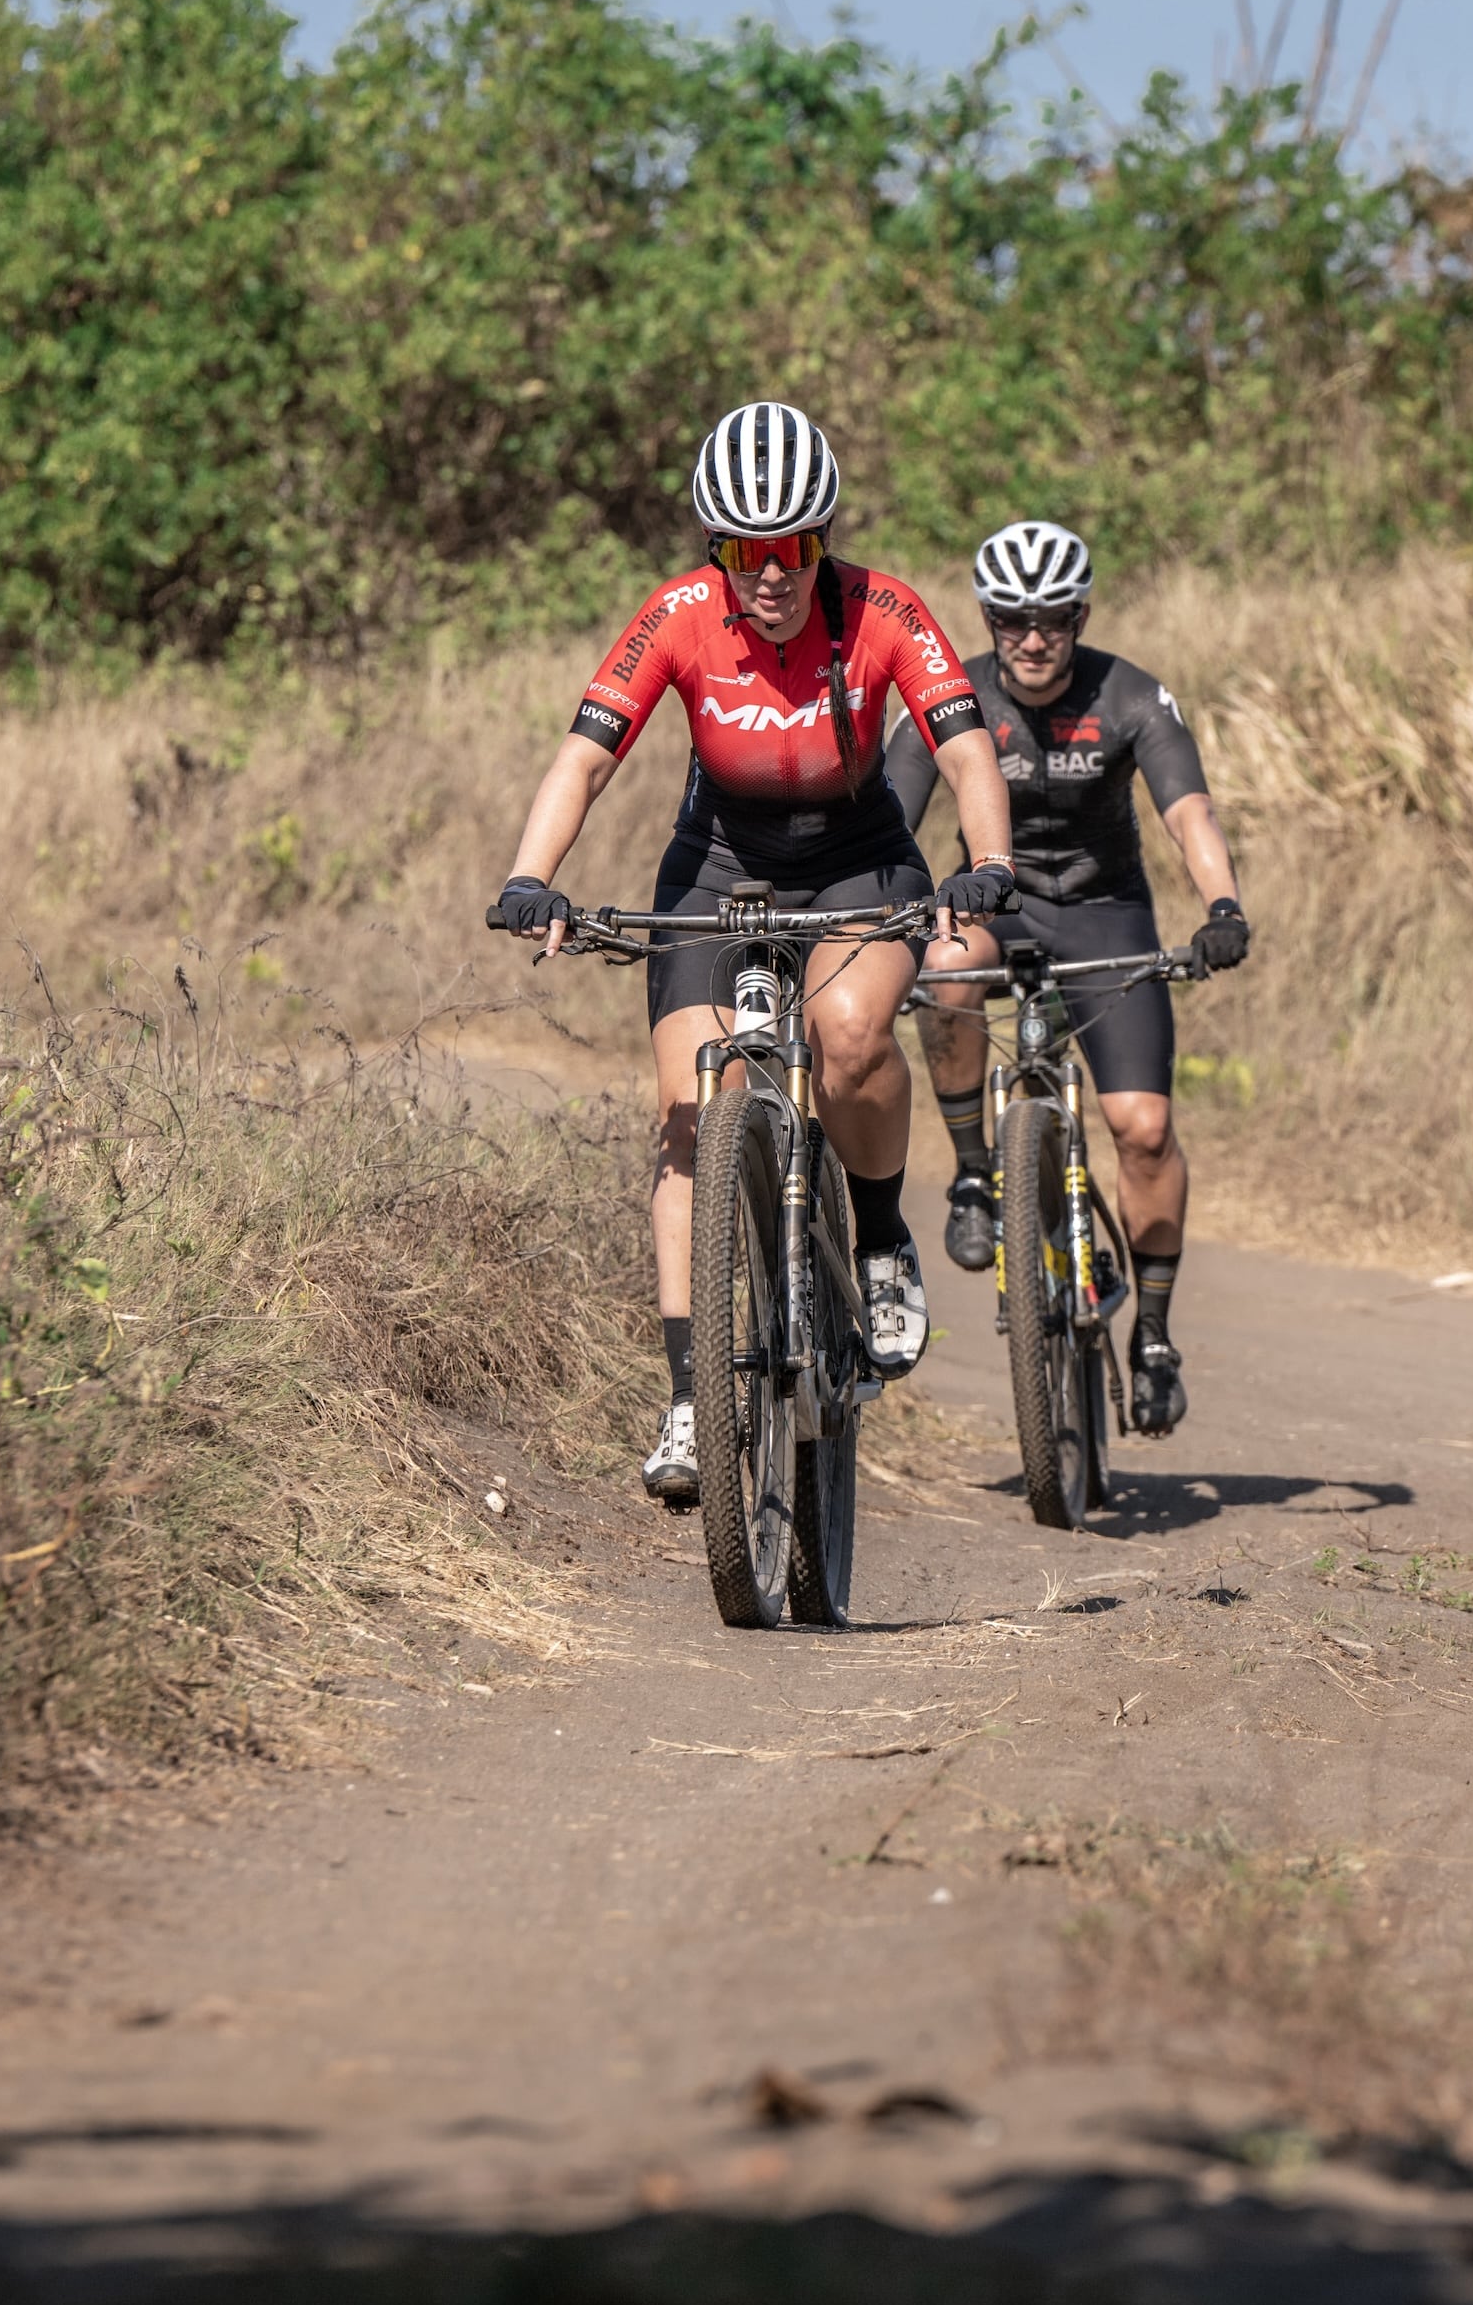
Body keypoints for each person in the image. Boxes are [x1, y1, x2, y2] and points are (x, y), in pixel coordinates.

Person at [488, 400, 1019, 1509]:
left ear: (822, 544)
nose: (771, 573)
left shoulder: (884, 609)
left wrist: (988, 862)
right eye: (745, 551)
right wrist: (530, 875)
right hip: (717, 866)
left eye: (795, 549)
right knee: (689, 1113)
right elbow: (582, 760)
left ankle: (877, 1245)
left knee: (853, 1032)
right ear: (715, 549)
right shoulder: (678, 614)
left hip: (859, 864)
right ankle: (692, 1400)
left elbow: (965, 749)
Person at [891, 519, 1251, 1434]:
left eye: (1054, 619)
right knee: (944, 971)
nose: (1034, 639)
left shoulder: (1130, 694)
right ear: (990, 620)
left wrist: (1221, 907)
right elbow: (893, 811)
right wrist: (884, 909)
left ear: (1080, 616)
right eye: (1012, 621)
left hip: (1106, 913)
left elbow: (1190, 811)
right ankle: (976, 1172)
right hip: (992, 899)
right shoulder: (952, 691)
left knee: (1143, 1127)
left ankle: (1156, 1334)